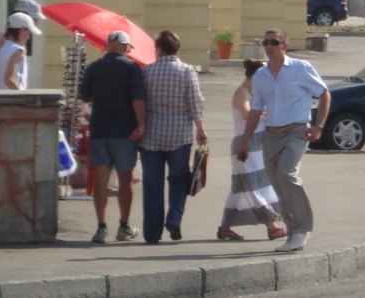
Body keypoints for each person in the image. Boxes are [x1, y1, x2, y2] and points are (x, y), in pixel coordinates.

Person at [237, 29, 330, 253]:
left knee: (286, 174)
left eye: (274, 42)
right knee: (277, 183)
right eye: (265, 42)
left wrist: (318, 126)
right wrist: (244, 142)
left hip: (297, 132)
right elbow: (256, 110)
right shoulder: (260, 76)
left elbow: (324, 93)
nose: (269, 46)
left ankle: (302, 229)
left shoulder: (301, 68)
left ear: (284, 45)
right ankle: (292, 231)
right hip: (271, 134)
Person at [79, 30, 146, 244]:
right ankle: (123, 227)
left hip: (99, 130)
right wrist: (141, 124)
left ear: (107, 46)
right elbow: (137, 99)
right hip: (124, 131)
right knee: (125, 180)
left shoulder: (95, 66)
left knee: (101, 180)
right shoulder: (132, 67)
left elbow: (85, 96)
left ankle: (101, 228)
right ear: (126, 47)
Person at [139, 30, 207, 244]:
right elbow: (195, 102)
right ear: (177, 49)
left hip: (151, 135)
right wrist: (200, 128)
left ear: (157, 48)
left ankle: (152, 233)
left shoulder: (146, 71)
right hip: (179, 135)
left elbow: (139, 102)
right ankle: (174, 219)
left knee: (152, 184)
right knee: (179, 180)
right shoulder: (187, 71)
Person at [217, 59, 287, 241]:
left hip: (256, 144)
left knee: (242, 186)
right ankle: (272, 225)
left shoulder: (254, 91)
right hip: (245, 145)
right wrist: (264, 111)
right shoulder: (242, 91)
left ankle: (225, 227)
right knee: (252, 184)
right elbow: (246, 114)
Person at [0, 0, 43, 89]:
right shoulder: (11, 43)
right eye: (35, 18)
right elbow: (5, 76)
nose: (37, 22)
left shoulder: (8, 43)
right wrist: (21, 95)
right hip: (11, 93)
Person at [0, 12, 42, 90]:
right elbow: (8, 79)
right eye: (29, 33)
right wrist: (22, 96)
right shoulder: (18, 51)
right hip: (14, 99)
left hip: (1, 97)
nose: (28, 38)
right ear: (22, 30)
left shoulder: (2, 49)